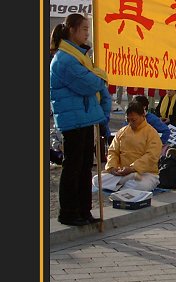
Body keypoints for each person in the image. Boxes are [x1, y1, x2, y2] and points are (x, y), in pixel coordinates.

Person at [50, 13, 113, 226]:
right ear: (72, 30)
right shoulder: (65, 59)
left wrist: (97, 75)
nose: (87, 33)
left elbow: (95, 81)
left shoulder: (80, 57)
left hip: (85, 117)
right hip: (73, 119)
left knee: (86, 165)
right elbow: (91, 84)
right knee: (73, 166)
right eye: (84, 29)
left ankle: (84, 210)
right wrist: (100, 75)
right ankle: (68, 212)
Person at [92, 101, 161, 193]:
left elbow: (152, 156)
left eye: (133, 120)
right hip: (122, 173)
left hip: (145, 173)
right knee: (96, 180)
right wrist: (113, 168)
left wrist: (133, 168)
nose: (131, 123)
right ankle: (125, 182)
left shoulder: (152, 133)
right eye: (128, 120)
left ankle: (123, 183)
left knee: (140, 185)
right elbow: (113, 152)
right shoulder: (122, 131)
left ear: (143, 116)